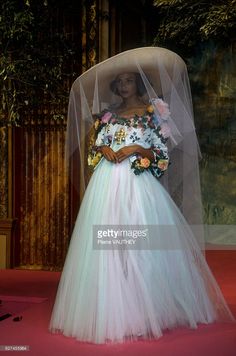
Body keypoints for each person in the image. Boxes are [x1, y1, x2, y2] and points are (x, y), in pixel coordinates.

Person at [49, 47, 235, 344]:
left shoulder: (154, 114)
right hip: (107, 185)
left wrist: (136, 149)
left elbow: (162, 157)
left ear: (138, 83)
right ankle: (113, 311)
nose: (124, 86)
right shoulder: (108, 116)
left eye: (129, 81)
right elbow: (96, 149)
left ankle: (148, 308)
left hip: (139, 187)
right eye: (120, 82)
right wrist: (103, 149)